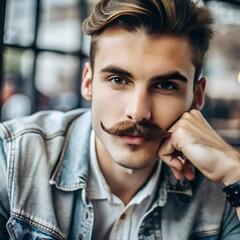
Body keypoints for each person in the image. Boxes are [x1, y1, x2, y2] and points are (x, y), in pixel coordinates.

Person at [0, 0, 240, 239]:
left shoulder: (223, 187)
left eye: (165, 85)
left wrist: (235, 173)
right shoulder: (12, 159)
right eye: (118, 80)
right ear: (88, 82)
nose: (137, 112)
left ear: (197, 97)